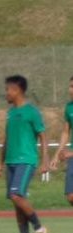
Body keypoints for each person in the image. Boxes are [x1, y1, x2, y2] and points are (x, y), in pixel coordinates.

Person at [0, 75, 49, 233]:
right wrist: (1, 164)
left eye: (8, 90)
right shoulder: (10, 113)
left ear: (17, 91)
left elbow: (43, 135)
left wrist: (45, 159)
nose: (6, 93)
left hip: (26, 160)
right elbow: (7, 140)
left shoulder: (32, 112)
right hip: (11, 161)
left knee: (16, 194)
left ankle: (39, 228)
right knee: (16, 199)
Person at [50, 76, 73, 207]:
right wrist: (57, 155)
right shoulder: (69, 108)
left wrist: (70, 154)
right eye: (70, 86)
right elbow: (65, 132)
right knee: (70, 196)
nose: (70, 90)